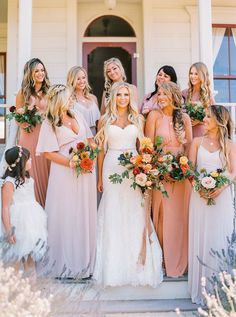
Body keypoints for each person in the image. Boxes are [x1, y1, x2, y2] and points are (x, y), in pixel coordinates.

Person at [93, 82, 163, 287]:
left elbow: (144, 149)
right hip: (111, 167)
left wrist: (146, 170)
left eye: (126, 94)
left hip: (135, 168)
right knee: (113, 211)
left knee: (134, 210)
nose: (122, 98)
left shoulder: (139, 119)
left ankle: (137, 262)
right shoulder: (104, 120)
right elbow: (101, 151)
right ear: (113, 97)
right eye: (119, 95)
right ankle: (113, 267)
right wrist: (99, 178)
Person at [36, 84, 97, 278]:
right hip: (63, 173)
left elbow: (90, 138)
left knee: (82, 212)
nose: (72, 100)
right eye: (69, 97)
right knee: (66, 212)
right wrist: (71, 162)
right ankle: (62, 262)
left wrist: (91, 155)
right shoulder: (50, 122)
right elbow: (47, 153)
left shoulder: (77, 115)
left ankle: (83, 262)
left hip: (85, 172)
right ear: (59, 99)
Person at [188, 105, 236, 304]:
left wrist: (220, 187)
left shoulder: (229, 144)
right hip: (199, 197)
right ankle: (201, 289)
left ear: (219, 120)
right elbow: (190, 169)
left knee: (220, 237)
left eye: (208, 116)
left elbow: (233, 172)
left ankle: (221, 290)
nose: (204, 119)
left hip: (222, 197)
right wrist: (198, 185)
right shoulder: (196, 142)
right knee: (202, 236)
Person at [145, 81, 192, 278]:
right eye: (159, 95)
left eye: (164, 94)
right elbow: (147, 146)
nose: (160, 98)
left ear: (173, 96)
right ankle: (163, 261)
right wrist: (157, 167)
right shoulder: (154, 116)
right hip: (160, 173)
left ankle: (181, 260)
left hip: (180, 176)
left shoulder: (185, 118)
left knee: (179, 218)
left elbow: (189, 147)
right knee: (162, 216)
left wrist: (183, 168)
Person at [1, 146, 47, 274]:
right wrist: (9, 230)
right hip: (17, 222)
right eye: (29, 159)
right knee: (16, 259)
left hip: (32, 221)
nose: (31, 161)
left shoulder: (29, 180)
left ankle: (31, 289)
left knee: (30, 258)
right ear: (20, 163)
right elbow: (5, 207)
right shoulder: (9, 183)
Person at [15, 58, 51, 207]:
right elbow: (18, 119)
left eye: (42, 70)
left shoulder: (49, 92)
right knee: (31, 175)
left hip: (47, 136)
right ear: (30, 73)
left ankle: (48, 209)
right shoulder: (23, 93)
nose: (40, 73)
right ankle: (34, 211)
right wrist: (28, 116)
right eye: (36, 70)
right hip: (29, 136)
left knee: (47, 173)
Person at [182, 62, 215, 137]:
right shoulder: (184, 93)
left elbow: (213, 116)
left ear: (202, 75)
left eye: (196, 74)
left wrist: (199, 121)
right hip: (186, 132)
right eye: (191, 73)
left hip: (201, 132)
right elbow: (179, 112)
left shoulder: (208, 95)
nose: (192, 76)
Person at [67, 66, 100, 136]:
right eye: (78, 79)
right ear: (72, 80)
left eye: (83, 78)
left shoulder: (93, 98)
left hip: (95, 138)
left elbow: (98, 123)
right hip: (78, 139)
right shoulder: (69, 100)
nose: (82, 81)